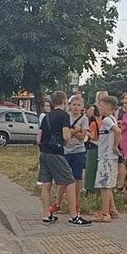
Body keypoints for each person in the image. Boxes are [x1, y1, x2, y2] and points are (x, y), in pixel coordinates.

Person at [38, 91, 92, 226]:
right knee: (70, 181)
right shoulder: (64, 116)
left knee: (46, 184)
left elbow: (38, 138)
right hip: (56, 153)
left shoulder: (46, 117)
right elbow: (66, 136)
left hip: (44, 153)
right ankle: (73, 216)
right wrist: (73, 132)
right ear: (64, 101)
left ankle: (46, 215)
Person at [57, 94, 89, 212]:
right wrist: (77, 129)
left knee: (77, 178)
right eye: (74, 105)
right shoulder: (66, 117)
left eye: (79, 105)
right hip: (66, 151)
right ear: (69, 106)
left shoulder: (84, 119)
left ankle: (77, 204)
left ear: (82, 107)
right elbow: (65, 135)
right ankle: (58, 203)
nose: (76, 107)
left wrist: (73, 132)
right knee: (63, 179)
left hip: (79, 151)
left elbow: (82, 137)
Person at [95, 96, 122, 222]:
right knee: (109, 185)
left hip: (106, 157)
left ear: (108, 107)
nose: (98, 108)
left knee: (104, 186)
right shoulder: (113, 119)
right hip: (109, 157)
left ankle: (105, 213)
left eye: (100, 105)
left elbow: (117, 131)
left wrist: (115, 147)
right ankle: (113, 210)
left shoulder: (107, 120)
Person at [84, 104, 102, 193]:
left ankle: (89, 188)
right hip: (101, 147)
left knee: (90, 168)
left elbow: (93, 136)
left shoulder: (93, 124)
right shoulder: (103, 122)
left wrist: (87, 133)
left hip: (93, 146)